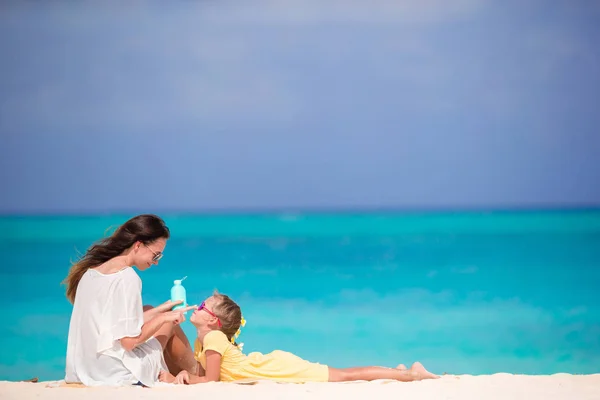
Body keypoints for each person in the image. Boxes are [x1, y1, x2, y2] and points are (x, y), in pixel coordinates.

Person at [159, 291, 440, 385]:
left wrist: (178, 378)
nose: (196, 307)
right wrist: (185, 376)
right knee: (342, 375)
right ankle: (395, 372)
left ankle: (409, 375)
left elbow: (211, 382)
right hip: (266, 365)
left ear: (212, 321)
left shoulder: (214, 340)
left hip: (275, 369)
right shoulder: (205, 340)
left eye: (202, 306)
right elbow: (209, 377)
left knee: (343, 376)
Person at [62, 214, 198, 387]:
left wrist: (162, 309)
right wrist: (164, 318)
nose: (156, 263)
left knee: (151, 309)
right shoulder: (127, 278)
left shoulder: (89, 274)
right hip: (116, 372)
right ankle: (196, 376)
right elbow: (128, 342)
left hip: (87, 368)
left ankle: (179, 374)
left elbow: (111, 324)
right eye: (156, 255)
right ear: (138, 245)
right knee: (168, 323)